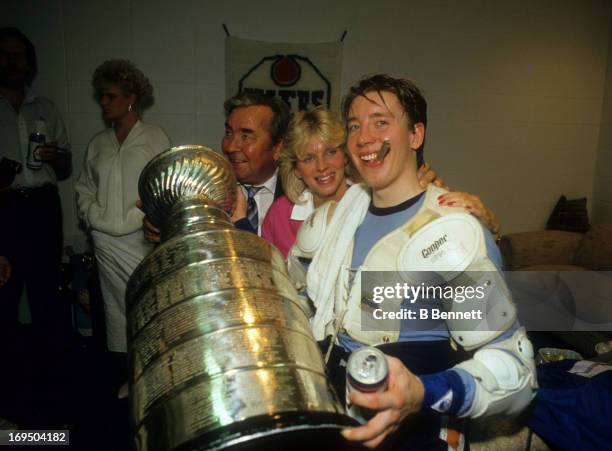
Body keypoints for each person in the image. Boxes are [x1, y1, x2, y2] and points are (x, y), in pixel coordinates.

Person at [290, 74, 536, 449]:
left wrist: (424, 391)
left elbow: (516, 371)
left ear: (416, 135)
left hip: (414, 430)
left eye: (381, 122)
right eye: (355, 126)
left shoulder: (451, 236)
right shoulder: (335, 222)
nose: (364, 136)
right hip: (335, 415)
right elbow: (300, 299)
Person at [264, 106, 501, 259]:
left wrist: (484, 220)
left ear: (345, 155)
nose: (322, 167)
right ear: (295, 169)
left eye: (330, 152)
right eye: (308, 158)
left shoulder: (377, 203)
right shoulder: (280, 215)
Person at [75, 59, 170, 356]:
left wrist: (144, 217)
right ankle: (124, 376)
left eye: (111, 95)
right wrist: (93, 217)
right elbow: (85, 188)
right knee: (115, 311)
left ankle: (151, 371)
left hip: (141, 239)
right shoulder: (98, 143)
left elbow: (165, 184)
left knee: (148, 305)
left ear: (131, 99)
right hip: (105, 241)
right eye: (101, 95)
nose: (103, 102)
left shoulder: (154, 137)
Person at [0, 27, 71, 339]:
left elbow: (66, 167)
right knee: (4, 291)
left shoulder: (46, 108)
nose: (11, 62)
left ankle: (51, 372)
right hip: (5, 206)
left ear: (29, 63)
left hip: (43, 206)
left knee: (46, 290)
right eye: (4, 56)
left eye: (18, 56)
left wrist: (56, 158)